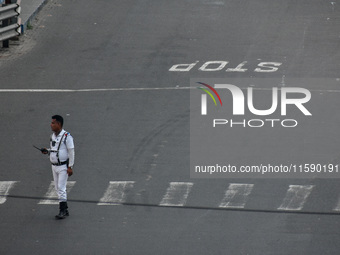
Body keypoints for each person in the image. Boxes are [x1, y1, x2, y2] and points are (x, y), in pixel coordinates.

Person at [42, 115, 75, 219]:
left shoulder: (67, 137)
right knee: (57, 188)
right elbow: (54, 150)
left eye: (53, 123)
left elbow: (71, 152)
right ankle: (65, 208)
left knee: (61, 188)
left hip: (63, 167)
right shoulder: (53, 136)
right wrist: (47, 151)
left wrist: (70, 166)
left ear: (59, 124)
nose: (51, 125)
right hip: (54, 166)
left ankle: (62, 210)